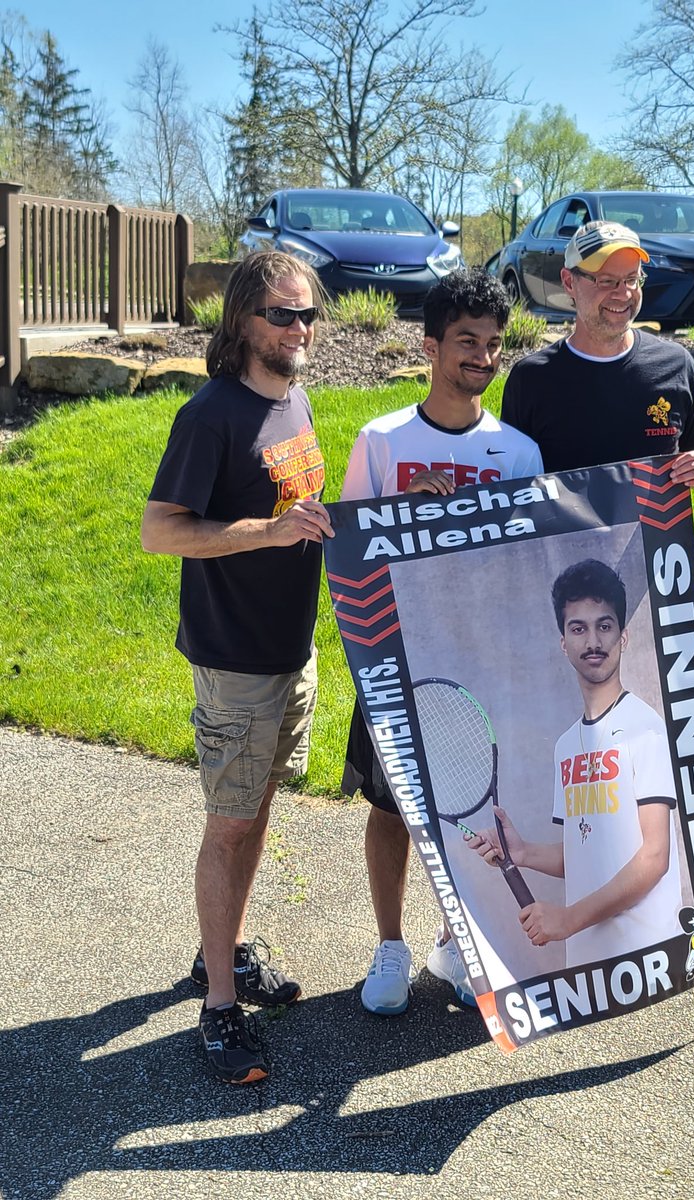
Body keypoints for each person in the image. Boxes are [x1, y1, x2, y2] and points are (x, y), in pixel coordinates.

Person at [140, 250, 334, 1084]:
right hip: (235, 662)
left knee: (254, 811)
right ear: (244, 322)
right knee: (229, 825)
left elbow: (306, 511)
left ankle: (222, 956)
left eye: (310, 315)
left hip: (291, 650)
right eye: (284, 315)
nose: (301, 329)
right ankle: (219, 1008)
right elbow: (160, 530)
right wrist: (265, 532)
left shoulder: (295, 401)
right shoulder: (210, 416)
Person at [340, 267, 543, 1015]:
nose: (483, 358)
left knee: (476, 811)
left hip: (479, 662)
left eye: (493, 345)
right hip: (396, 657)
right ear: (430, 346)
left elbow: (528, 566)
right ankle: (389, 945)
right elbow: (348, 551)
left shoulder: (518, 452)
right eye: (467, 342)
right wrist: (401, 511)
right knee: (392, 810)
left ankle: (457, 943)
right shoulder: (383, 439)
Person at [468, 559, 684, 967]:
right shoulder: (567, 746)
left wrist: (567, 920)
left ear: (624, 637)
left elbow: (655, 858)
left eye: (605, 626)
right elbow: (583, 853)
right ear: (563, 643)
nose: (593, 641)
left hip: (649, 962)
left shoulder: (646, 729)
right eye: (578, 629)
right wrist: (524, 852)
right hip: (590, 965)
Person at [501, 220, 694, 490]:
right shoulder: (531, 379)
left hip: (654, 532)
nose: (623, 293)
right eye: (607, 281)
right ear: (569, 282)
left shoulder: (676, 365)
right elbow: (509, 482)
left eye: (632, 279)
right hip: (565, 533)